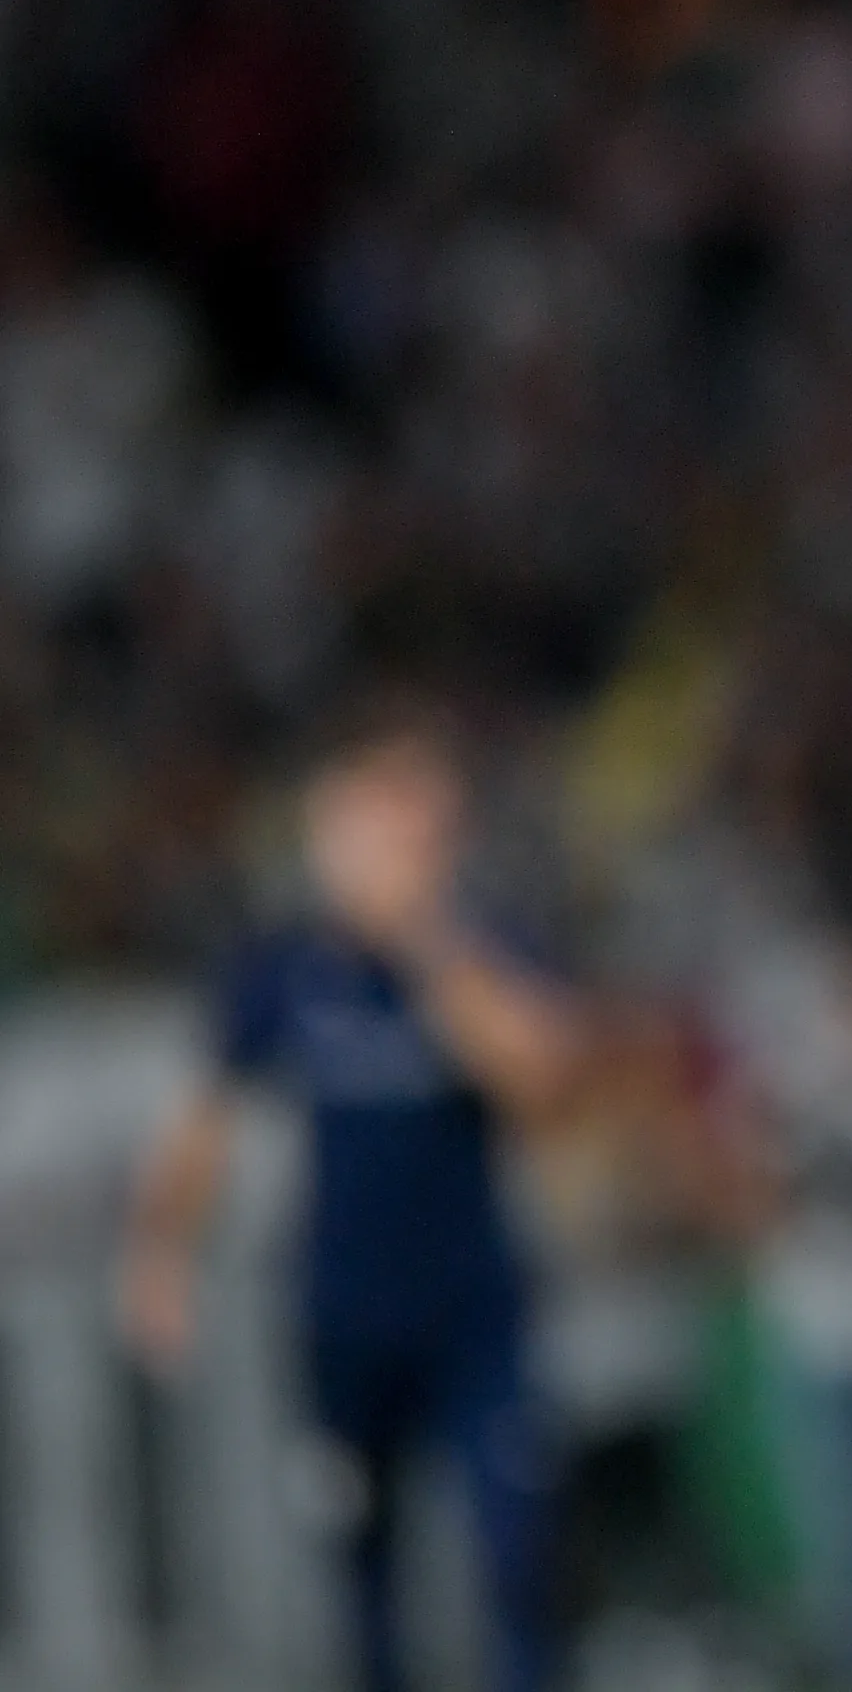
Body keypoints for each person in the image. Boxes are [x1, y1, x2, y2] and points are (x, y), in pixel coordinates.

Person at [119, 713, 580, 1692]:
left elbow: (541, 1076)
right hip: (343, 1315)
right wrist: (160, 1255)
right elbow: (205, 1114)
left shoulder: (482, 945)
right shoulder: (284, 968)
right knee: (362, 1569)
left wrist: (422, 939)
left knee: (516, 1550)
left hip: (474, 1308)